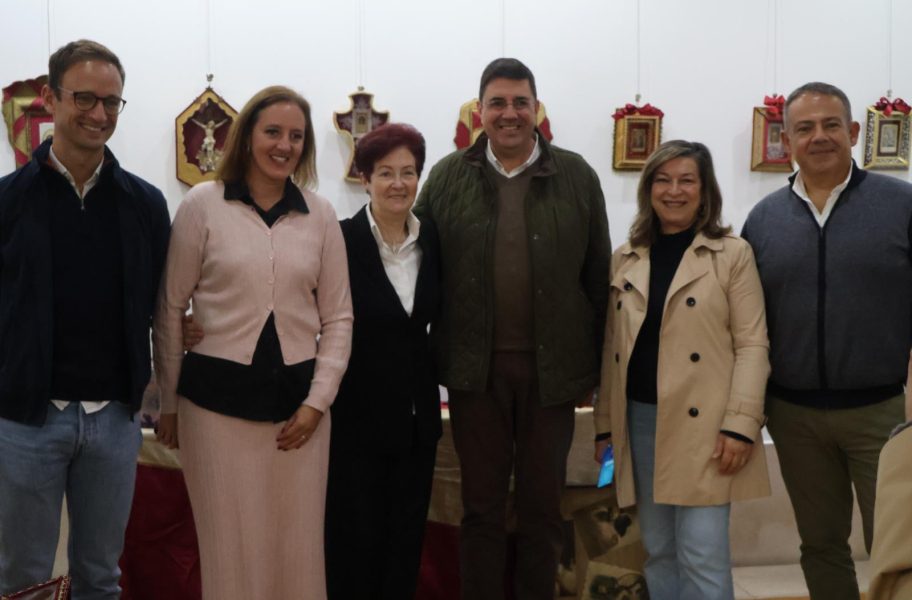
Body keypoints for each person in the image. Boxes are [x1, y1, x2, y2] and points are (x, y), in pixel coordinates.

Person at [414, 57, 611, 600]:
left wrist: (596, 369)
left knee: (542, 508)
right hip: (474, 374)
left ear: (536, 108)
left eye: (520, 102)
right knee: (480, 508)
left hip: (554, 375)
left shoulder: (577, 176)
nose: (509, 113)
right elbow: (417, 266)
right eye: (497, 103)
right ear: (479, 111)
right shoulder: (447, 177)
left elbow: (598, 278)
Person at [153, 85, 352, 600]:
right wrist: (168, 401)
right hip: (213, 409)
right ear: (246, 137)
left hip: (300, 415)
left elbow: (339, 318)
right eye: (273, 132)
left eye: (296, 136)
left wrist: (317, 403)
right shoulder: (202, 205)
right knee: (230, 553)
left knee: (298, 552)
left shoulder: (321, 215)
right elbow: (170, 307)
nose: (284, 145)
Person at [0, 40, 170, 599]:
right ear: (50, 98)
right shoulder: (8, 201)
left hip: (113, 421)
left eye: (112, 102)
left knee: (101, 576)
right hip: (25, 420)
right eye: (85, 98)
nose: (100, 113)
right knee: (24, 577)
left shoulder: (145, 204)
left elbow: (163, 302)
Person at [741, 82, 912, 600]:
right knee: (820, 545)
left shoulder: (901, 205)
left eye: (831, 124)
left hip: (882, 415)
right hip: (794, 417)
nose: (819, 136)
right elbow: (748, 323)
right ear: (787, 139)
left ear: (853, 132)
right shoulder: (763, 220)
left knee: (897, 545)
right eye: (805, 128)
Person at [593, 140, 770, 599]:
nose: (674, 191)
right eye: (663, 180)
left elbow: (753, 344)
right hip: (640, 421)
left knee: (702, 554)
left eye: (686, 180)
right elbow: (613, 349)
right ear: (648, 188)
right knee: (658, 551)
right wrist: (605, 427)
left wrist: (741, 425)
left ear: (704, 190)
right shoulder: (626, 256)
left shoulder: (731, 254)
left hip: (707, 428)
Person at [324, 123, 441, 599]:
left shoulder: (434, 240)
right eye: (386, 173)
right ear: (365, 178)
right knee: (354, 545)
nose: (398, 183)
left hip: (418, 424)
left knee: (404, 547)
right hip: (355, 422)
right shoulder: (339, 240)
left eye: (408, 172)